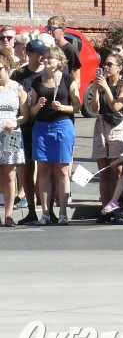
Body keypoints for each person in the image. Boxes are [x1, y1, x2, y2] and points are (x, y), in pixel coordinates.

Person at [29, 47, 81, 225]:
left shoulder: (68, 80)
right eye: (45, 58)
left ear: (60, 61)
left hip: (62, 125)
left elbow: (77, 106)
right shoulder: (38, 82)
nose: (46, 61)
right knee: (43, 170)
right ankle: (45, 213)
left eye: (50, 59)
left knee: (62, 171)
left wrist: (62, 108)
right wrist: (39, 105)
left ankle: (64, 213)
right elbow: (32, 111)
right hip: (42, 127)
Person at [90, 51, 123, 208]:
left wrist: (107, 88)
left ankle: (116, 206)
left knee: (117, 171)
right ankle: (105, 208)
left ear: (119, 68)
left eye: (110, 64)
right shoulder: (101, 84)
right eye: (104, 64)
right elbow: (94, 108)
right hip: (101, 126)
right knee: (103, 172)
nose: (106, 67)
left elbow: (116, 107)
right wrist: (95, 89)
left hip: (116, 127)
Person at [11, 39, 45, 224]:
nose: (42, 56)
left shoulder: (49, 73)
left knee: (47, 167)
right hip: (25, 126)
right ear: (29, 53)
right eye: (39, 53)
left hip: (45, 124)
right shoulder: (19, 75)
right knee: (26, 166)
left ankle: (47, 210)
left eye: (44, 52)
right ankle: (31, 209)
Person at [0, 48, 28, 227]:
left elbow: (25, 115)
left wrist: (16, 122)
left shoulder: (18, 88)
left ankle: (9, 214)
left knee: (10, 175)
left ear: (7, 68)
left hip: (10, 133)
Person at [46, 16, 82, 88]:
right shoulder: (50, 48)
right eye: (48, 28)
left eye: (53, 29)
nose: (49, 32)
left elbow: (76, 80)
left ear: (62, 30)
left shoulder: (70, 49)